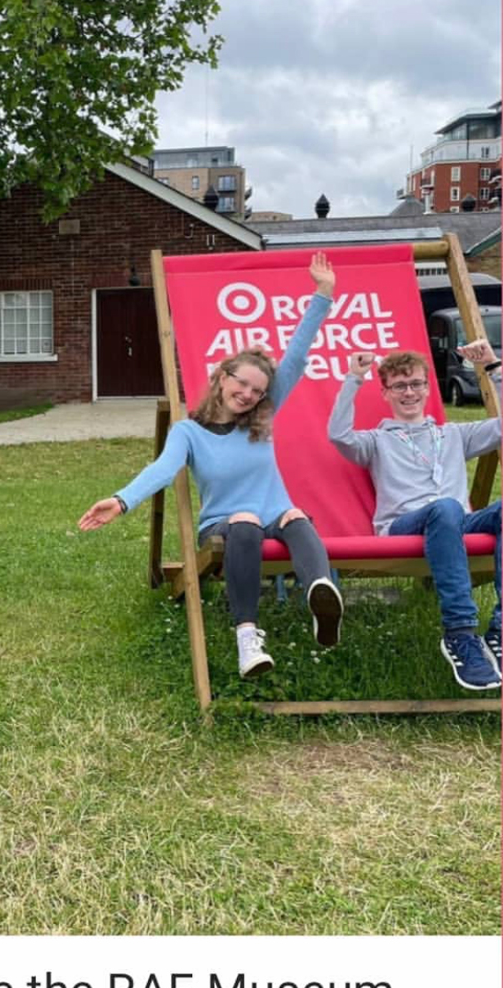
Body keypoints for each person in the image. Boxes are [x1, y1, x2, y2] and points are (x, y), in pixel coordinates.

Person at [79, 253, 344, 680]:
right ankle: (247, 638)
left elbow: (295, 356)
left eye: (258, 390)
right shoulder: (189, 432)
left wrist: (323, 294)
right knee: (244, 518)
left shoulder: (262, 419)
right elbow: (163, 470)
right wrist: (121, 500)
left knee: (295, 514)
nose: (248, 394)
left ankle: (321, 599)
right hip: (225, 524)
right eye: (241, 383)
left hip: (275, 517)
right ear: (222, 377)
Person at [328, 342, 502, 692]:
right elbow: (338, 435)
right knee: (446, 506)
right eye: (400, 386)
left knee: (459, 510)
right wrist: (353, 377)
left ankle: (499, 629)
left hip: (452, 523)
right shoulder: (377, 440)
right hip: (403, 527)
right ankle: (459, 633)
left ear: (428, 387)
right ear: (386, 393)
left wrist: (493, 368)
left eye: (417, 384)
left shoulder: (452, 434)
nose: (409, 392)